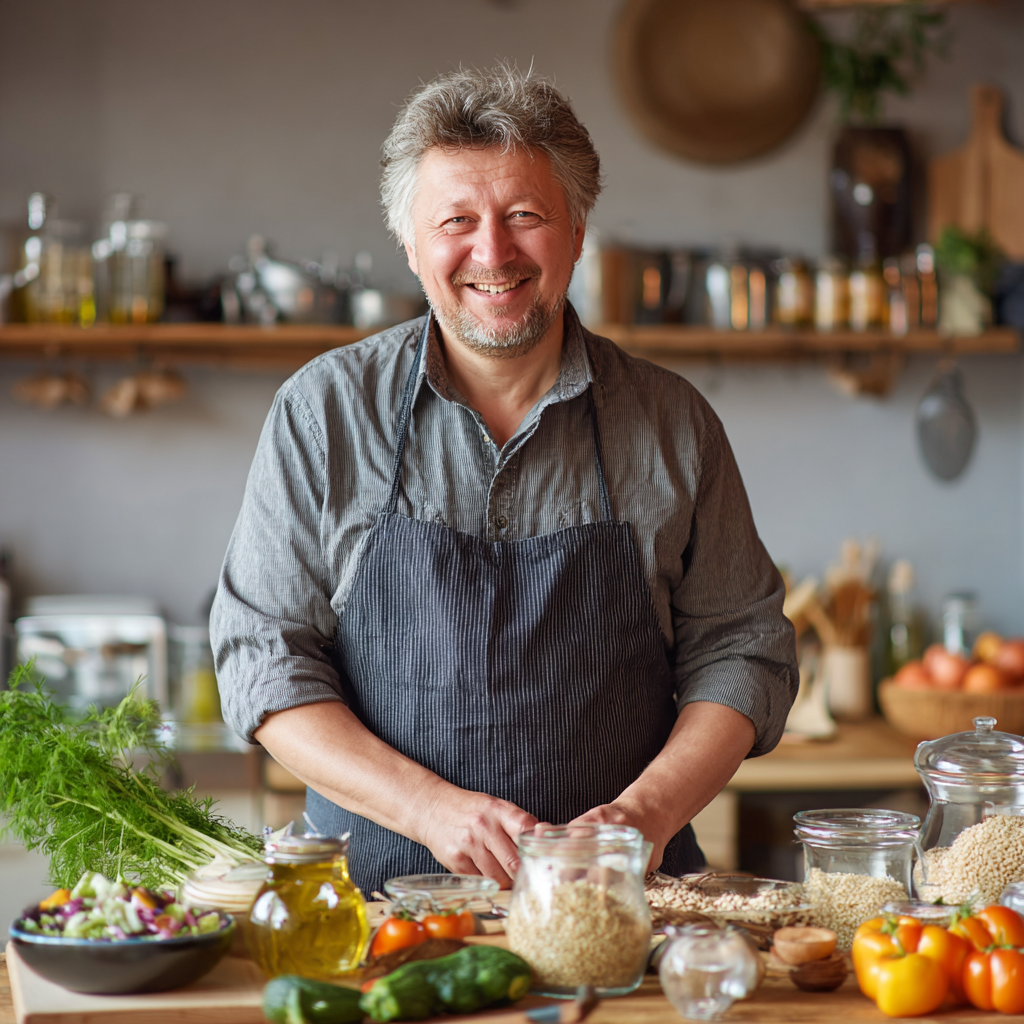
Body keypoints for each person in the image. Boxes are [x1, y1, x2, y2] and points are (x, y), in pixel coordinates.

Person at [211, 65, 798, 896]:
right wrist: (430, 810)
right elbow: (262, 663)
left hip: (624, 910)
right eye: (456, 220)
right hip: (371, 923)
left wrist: (647, 816)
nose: (493, 253)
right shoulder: (322, 414)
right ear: (410, 243)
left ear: (578, 231)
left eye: (526, 216)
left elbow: (744, 651)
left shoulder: (673, 424)